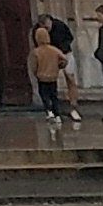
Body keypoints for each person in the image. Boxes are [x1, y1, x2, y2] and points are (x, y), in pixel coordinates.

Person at [28, 17, 71, 145]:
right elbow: (64, 58)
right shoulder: (54, 50)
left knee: (45, 95)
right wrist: (59, 66)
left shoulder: (36, 52)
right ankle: (57, 114)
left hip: (42, 77)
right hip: (53, 76)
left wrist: (35, 73)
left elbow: (33, 65)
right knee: (54, 95)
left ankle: (49, 111)